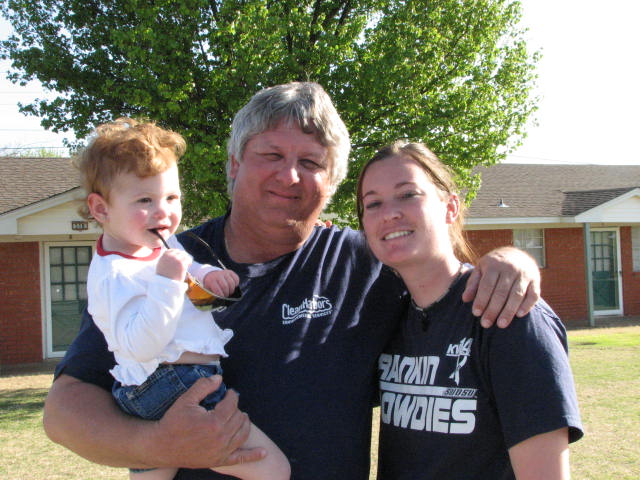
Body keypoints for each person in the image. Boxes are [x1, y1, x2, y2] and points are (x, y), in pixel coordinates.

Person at [44, 82, 542, 480]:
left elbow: (443, 277)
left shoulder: (365, 264)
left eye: (311, 163)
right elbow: (64, 411)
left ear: (332, 184)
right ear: (234, 165)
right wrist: (156, 446)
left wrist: (512, 258)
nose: (291, 176)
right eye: (271, 156)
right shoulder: (160, 259)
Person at [77, 118, 290, 480]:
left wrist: (209, 276)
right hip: (171, 383)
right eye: (145, 200)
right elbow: (139, 344)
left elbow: (187, 264)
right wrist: (167, 283)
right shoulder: (114, 275)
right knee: (274, 469)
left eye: (171, 197)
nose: (163, 212)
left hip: (170, 384)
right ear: (101, 210)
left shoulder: (152, 242)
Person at [356, 141, 583, 479]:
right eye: (372, 203)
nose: (389, 213)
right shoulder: (385, 318)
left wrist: (516, 258)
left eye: (408, 195)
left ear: (450, 208)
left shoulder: (508, 314)